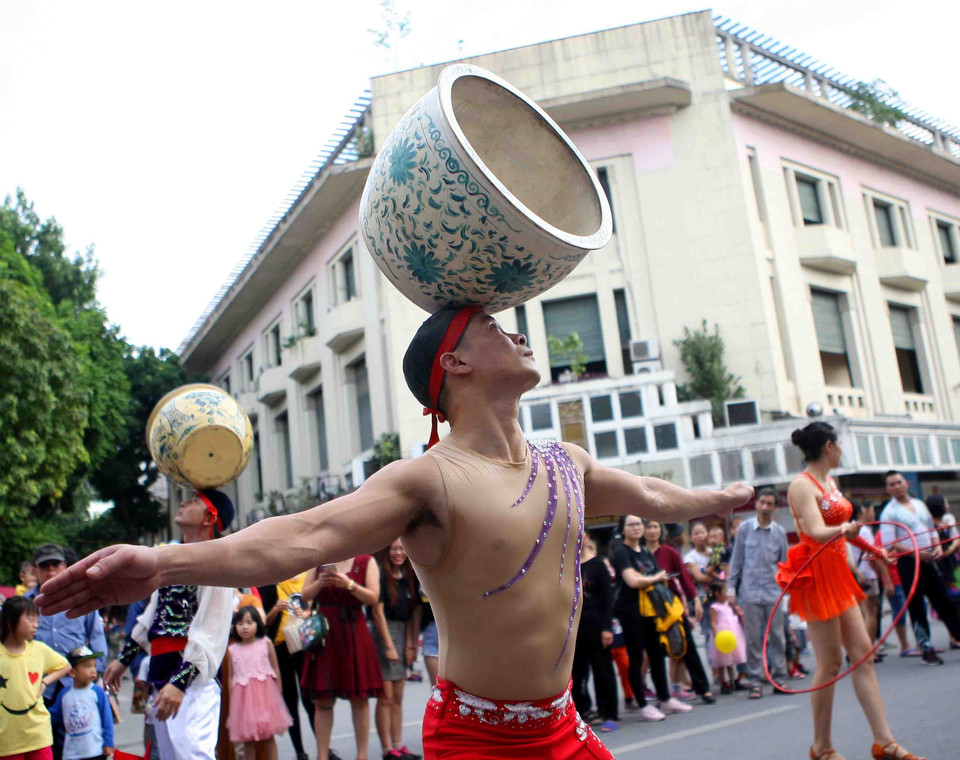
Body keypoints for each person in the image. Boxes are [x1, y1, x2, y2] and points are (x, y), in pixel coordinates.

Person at [37, 308, 752, 760]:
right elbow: (307, 533)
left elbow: (657, 493)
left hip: (564, 730)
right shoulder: (427, 480)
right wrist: (164, 563)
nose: (519, 333)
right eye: (496, 330)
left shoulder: (567, 463)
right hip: (477, 742)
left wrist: (730, 493)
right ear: (456, 365)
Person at [779, 423, 922, 760]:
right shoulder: (801, 486)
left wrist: (871, 549)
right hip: (817, 579)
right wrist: (845, 528)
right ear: (829, 446)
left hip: (840, 576)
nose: (842, 450)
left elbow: (846, 528)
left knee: (863, 655)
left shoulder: (830, 481)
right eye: (839, 444)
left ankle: (884, 742)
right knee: (829, 665)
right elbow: (815, 529)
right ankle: (822, 747)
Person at [105, 490, 236, 760]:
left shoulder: (218, 562)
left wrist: (180, 683)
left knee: (193, 755)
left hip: (192, 681)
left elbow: (210, 634)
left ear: (210, 517)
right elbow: (151, 617)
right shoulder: (171, 557)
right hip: (159, 673)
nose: (184, 502)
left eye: (195, 500)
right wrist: (123, 660)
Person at [301, 555, 384, 760]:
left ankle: (362, 756)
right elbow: (304, 596)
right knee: (323, 699)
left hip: (354, 630)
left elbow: (373, 597)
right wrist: (320, 583)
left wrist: (349, 585)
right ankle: (322, 756)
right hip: (326, 633)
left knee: (360, 698)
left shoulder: (366, 561)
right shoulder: (318, 561)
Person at [611, 515, 693, 722]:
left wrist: (652, 580)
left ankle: (665, 698)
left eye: (639, 524)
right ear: (623, 529)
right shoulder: (621, 552)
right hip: (631, 611)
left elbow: (653, 578)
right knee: (637, 658)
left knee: (657, 656)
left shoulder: (646, 552)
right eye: (631, 524)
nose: (636, 527)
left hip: (652, 612)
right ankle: (642, 704)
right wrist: (655, 578)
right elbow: (632, 581)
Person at [879, 471, 960, 666]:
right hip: (909, 563)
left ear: (905, 483)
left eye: (899, 482)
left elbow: (930, 529)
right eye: (892, 484)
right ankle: (926, 649)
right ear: (888, 488)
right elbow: (890, 544)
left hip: (930, 559)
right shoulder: (889, 513)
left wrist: (937, 546)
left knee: (944, 600)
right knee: (916, 606)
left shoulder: (919, 504)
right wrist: (916, 553)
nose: (896, 486)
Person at [642, 519, 715, 704]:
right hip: (648, 610)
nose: (652, 531)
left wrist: (696, 601)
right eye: (649, 527)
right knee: (653, 654)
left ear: (661, 530)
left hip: (672, 608)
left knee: (688, 647)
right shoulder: (638, 555)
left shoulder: (669, 552)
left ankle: (703, 689)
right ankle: (661, 695)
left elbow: (685, 579)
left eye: (655, 526)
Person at [729, 487, 789, 698]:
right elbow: (736, 562)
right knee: (753, 639)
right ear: (756, 504)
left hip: (774, 592)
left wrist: (787, 593)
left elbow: (785, 565)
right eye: (761, 502)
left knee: (777, 637)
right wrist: (731, 589)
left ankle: (780, 678)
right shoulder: (745, 529)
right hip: (750, 592)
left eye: (769, 504)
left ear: (775, 507)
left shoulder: (780, 533)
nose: (764, 507)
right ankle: (755, 681)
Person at [0, 596, 72, 760]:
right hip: (6, 740)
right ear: (10, 621)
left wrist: (45, 682)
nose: (36, 624)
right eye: (30, 618)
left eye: (37, 619)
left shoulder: (39, 649)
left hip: (38, 734)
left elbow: (65, 666)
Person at [371, 540, 421, 760]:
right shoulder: (381, 574)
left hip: (403, 634)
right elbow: (377, 613)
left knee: (398, 697)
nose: (398, 553)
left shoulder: (409, 577)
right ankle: (387, 749)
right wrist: (389, 646)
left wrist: (410, 644)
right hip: (383, 634)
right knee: (385, 698)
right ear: (386, 551)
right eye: (394, 549)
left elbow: (412, 614)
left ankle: (399, 745)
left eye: (402, 549)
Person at [225, 606, 292, 759]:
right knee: (249, 740)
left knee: (269, 737)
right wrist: (232, 697)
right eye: (240, 624)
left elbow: (275, 668)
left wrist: (278, 691)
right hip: (243, 700)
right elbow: (231, 676)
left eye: (249, 622)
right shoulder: (233, 650)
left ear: (258, 624)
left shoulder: (265, 643)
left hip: (265, 697)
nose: (245, 627)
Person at [571, 532, 619, 733]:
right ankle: (582, 710)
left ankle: (609, 713)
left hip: (597, 626)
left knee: (603, 670)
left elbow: (607, 599)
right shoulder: (567, 566)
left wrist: (607, 628)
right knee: (577, 671)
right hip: (574, 628)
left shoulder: (597, 565)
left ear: (587, 538)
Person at [264, 574, 314, 760]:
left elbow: (317, 609)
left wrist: (308, 614)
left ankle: (324, 749)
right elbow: (264, 622)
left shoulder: (308, 578)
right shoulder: (272, 583)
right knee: (290, 700)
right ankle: (299, 752)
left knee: (310, 699)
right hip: (281, 647)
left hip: (304, 645)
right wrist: (276, 609)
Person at [49, 646, 115, 760]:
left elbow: (107, 719)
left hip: (95, 750)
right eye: (87, 666)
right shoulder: (64, 695)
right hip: (71, 753)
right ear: (72, 672)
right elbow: (53, 716)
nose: (93, 670)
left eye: (94, 665)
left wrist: (108, 742)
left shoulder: (97, 692)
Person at [848, 502, 883, 660]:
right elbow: (872, 554)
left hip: (852, 576)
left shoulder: (844, 531)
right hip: (867, 575)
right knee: (871, 613)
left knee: (859, 615)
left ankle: (856, 650)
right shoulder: (863, 530)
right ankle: (868, 651)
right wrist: (880, 573)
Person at [706, 583, 746, 692]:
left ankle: (732, 679)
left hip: (733, 633)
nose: (726, 594)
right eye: (724, 592)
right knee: (722, 660)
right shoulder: (714, 607)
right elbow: (713, 623)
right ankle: (724, 681)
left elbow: (739, 613)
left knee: (731, 657)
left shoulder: (728, 604)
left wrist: (734, 605)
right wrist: (716, 636)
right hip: (722, 634)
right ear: (717, 594)